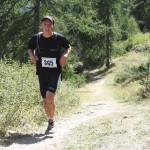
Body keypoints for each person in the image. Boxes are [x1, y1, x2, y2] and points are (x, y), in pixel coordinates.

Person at [28, 16, 71, 134]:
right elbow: (30, 48)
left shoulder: (58, 38)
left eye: (49, 24)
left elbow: (68, 47)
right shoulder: (36, 38)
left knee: (49, 97)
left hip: (54, 72)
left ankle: (52, 122)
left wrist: (64, 56)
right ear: (42, 26)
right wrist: (32, 56)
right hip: (42, 73)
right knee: (45, 100)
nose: (47, 27)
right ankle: (50, 120)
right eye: (44, 24)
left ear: (53, 26)